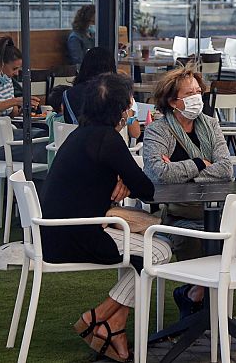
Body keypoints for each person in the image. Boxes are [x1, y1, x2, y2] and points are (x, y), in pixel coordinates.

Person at [40, 73, 171, 362]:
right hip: (77, 236)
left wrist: (121, 176)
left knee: (138, 250)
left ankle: (114, 326)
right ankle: (95, 317)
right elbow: (147, 189)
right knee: (160, 250)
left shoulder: (80, 135)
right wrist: (125, 176)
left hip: (55, 233)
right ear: (120, 109)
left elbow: (120, 180)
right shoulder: (107, 139)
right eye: (129, 104)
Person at [142, 66, 232, 318]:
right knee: (196, 238)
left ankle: (195, 295)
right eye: (189, 93)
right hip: (178, 216)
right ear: (173, 101)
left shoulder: (210, 125)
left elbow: (226, 169)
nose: (197, 97)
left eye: (198, 91)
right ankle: (202, 303)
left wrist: (182, 173)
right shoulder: (158, 130)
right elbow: (159, 173)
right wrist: (201, 163)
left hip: (217, 211)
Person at [63, 47, 140, 141]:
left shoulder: (68, 95)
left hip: (75, 146)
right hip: (111, 146)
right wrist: (130, 110)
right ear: (111, 68)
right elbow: (135, 133)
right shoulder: (117, 93)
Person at [45, 84, 70, 167]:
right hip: (64, 163)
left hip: (51, 163)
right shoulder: (66, 119)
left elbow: (49, 115)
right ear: (63, 105)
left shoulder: (51, 118)